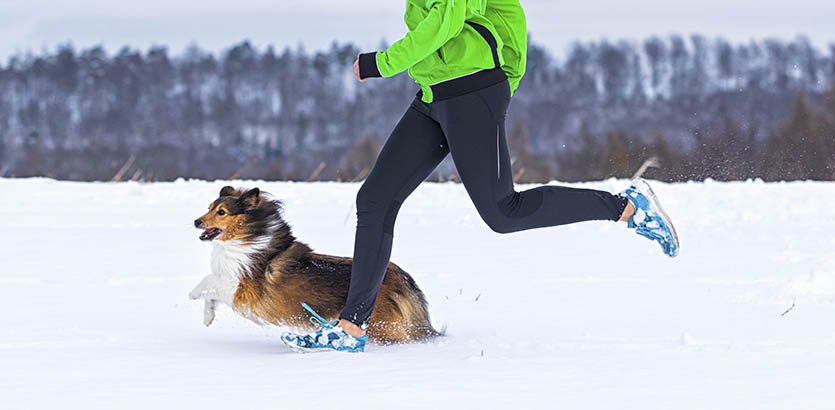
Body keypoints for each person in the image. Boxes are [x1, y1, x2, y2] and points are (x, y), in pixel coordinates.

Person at [281, 0, 679, 353]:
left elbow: (447, 22)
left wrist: (381, 63)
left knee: (504, 212)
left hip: (471, 91)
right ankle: (352, 327)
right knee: (374, 200)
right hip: (434, 95)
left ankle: (627, 208)